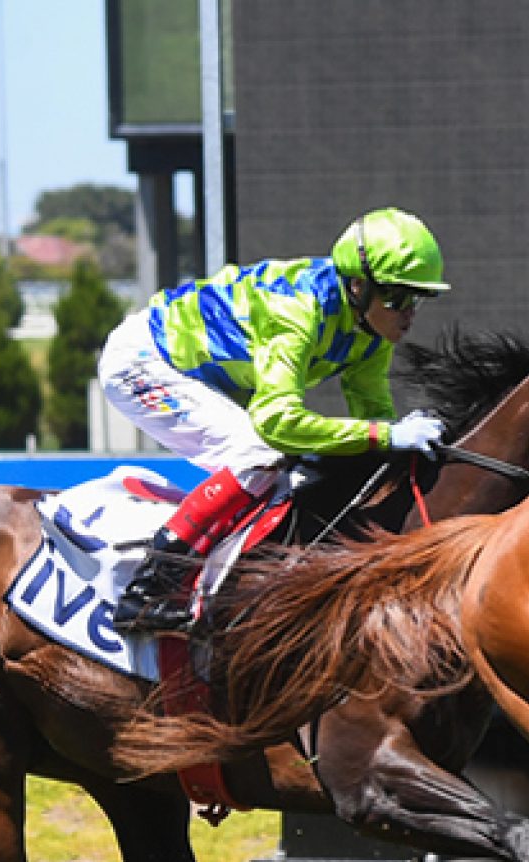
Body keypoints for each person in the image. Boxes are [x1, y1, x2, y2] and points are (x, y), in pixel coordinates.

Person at [99, 206, 453, 633]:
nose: (408, 313)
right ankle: (151, 587)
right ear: (358, 287)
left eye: (417, 299)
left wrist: (397, 448)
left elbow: (374, 422)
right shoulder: (297, 311)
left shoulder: (370, 331)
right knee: (259, 451)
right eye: (397, 298)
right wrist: (387, 434)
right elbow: (277, 422)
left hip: (209, 376)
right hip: (145, 361)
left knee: (307, 465)